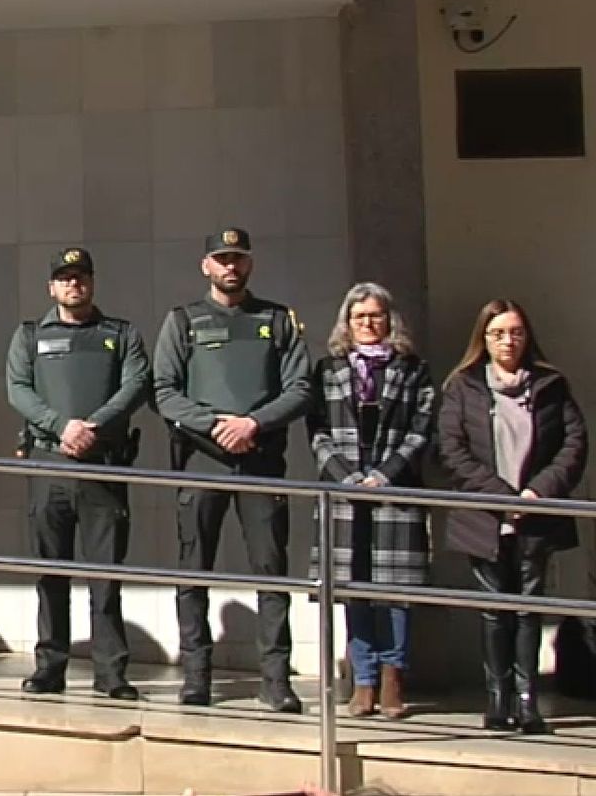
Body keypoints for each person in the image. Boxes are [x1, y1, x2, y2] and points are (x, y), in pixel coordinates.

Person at [153, 227, 312, 713]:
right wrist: (217, 426)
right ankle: (196, 677)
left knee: (271, 572)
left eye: (238, 258)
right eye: (221, 259)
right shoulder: (183, 321)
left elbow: (300, 387)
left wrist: (253, 424)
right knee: (193, 572)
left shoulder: (277, 320)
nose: (230, 267)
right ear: (206, 265)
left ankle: (276, 680)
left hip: (260, 461)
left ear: (250, 263)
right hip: (202, 461)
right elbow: (164, 391)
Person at [436, 299, 587, 734]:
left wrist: (537, 492)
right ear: (483, 339)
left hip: (536, 514)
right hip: (486, 515)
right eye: (498, 333)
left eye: (515, 332)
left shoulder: (551, 385)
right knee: (494, 609)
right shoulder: (463, 386)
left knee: (528, 607)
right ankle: (497, 699)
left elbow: (574, 443)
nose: (508, 341)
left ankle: (527, 701)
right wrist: (503, 497)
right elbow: (451, 449)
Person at [6, 247, 149, 700]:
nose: (74, 284)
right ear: (52, 287)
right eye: (65, 278)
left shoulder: (120, 334)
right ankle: (50, 667)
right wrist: (60, 426)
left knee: (105, 576)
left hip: (102, 465)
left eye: (81, 276)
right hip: (50, 463)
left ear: (92, 282)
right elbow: (18, 389)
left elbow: (136, 385)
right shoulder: (30, 335)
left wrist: (93, 427)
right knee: (51, 573)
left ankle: (111, 673)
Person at [306, 283, 435, 720]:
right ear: (347, 322)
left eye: (375, 315)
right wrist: (347, 478)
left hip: (395, 491)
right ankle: (363, 681)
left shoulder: (413, 369)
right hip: (344, 495)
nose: (367, 323)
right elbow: (317, 431)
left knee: (395, 593)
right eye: (359, 316)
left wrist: (384, 475)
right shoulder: (327, 369)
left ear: (389, 320)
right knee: (352, 589)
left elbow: (421, 429)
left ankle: (393, 678)